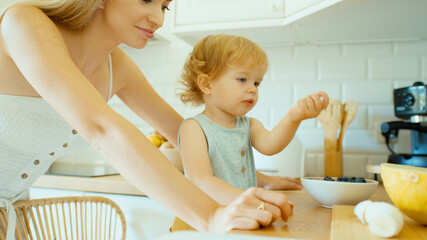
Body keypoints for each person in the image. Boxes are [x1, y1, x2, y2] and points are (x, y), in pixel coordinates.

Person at [0, 0, 294, 238]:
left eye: (165, 6)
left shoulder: (117, 66)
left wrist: (255, 179)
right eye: (147, 0)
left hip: (14, 212)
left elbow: (189, 137)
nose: (159, 18)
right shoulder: (23, 23)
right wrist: (211, 216)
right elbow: (102, 130)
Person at [178, 34, 329, 205]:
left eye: (257, 83)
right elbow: (201, 180)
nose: (253, 89)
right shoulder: (194, 128)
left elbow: (271, 145)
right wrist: (252, 201)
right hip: (207, 219)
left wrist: (295, 117)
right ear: (207, 84)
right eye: (242, 79)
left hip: (241, 214)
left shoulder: (248, 125)